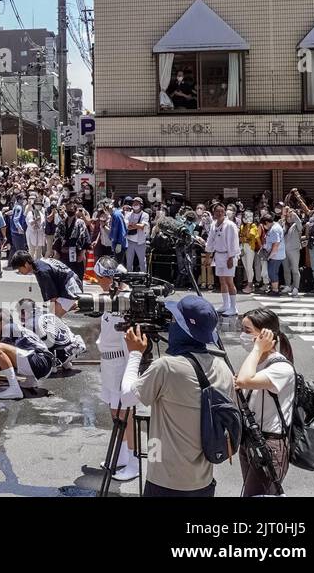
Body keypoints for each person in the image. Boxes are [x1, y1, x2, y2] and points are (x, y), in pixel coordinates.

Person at [120, 296, 238, 497]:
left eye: (174, 321)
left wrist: (135, 354)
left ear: (183, 329)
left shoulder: (167, 367)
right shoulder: (223, 368)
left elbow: (127, 398)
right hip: (203, 481)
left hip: (166, 482)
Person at [91, 259, 140, 482]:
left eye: (100, 278)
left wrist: (132, 369)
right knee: (114, 412)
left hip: (122, 363)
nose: (98, 282)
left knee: (126, 414)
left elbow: (128, 339)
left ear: (111, 278)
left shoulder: (126, 300)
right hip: (109, 363)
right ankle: (120, 456)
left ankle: (134, 461)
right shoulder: (112, 297)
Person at [0, 307, 55, 400]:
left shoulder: (8, 327)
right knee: (8, 349)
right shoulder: (17, 328)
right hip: (45, 365)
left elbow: (0, 352)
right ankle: (31, 381)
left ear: (1, 323)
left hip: (39, 362)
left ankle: (14, 389)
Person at [10, 251, 81, 316]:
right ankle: (68, 305)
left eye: (19, 268)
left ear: (25, 264)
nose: (19, 271)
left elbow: (53, 297)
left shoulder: (42, 272)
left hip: (71, 288)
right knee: (53, 312)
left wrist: (51, 313)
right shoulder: (39, 263)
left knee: (54, 318)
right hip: (68, 285)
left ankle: (73, 303)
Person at [205, 203, 240, 317]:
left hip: (228, 256)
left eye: (222, 211)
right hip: (218, 255)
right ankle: (225, 304)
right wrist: (208, 256)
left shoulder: (230, 225)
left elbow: (233, 242)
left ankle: (233, 307)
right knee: (222, 281)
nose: (219, 213)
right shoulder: (213, 224)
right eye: (217, 211)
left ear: (224, 212)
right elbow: (210, 240)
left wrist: (231, 257)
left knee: (229, 281)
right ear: (214, 213)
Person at [260, 211, 284, 296]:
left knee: (272, 272)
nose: (264, 227)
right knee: (273, 272)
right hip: (275, 254)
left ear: (266, 222)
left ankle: (275, 290)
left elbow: (276, 244)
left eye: (264, 224)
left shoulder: (274, 229)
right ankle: (274, 288)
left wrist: (270, 256)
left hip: (276, 255)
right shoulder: (274, 227)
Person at [126, 197, 150, 272]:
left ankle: (144, 278)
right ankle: (129, 278)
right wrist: (137, 226)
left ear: (141, 205)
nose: (135, 204)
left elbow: (142, 226)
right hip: (129, 241)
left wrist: (132, 225)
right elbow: (127, 227)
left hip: (141, 242)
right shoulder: (128, 214)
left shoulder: (145, 215)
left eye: (137, 203)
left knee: (142, 262)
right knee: (129, 262)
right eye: (134, 203)